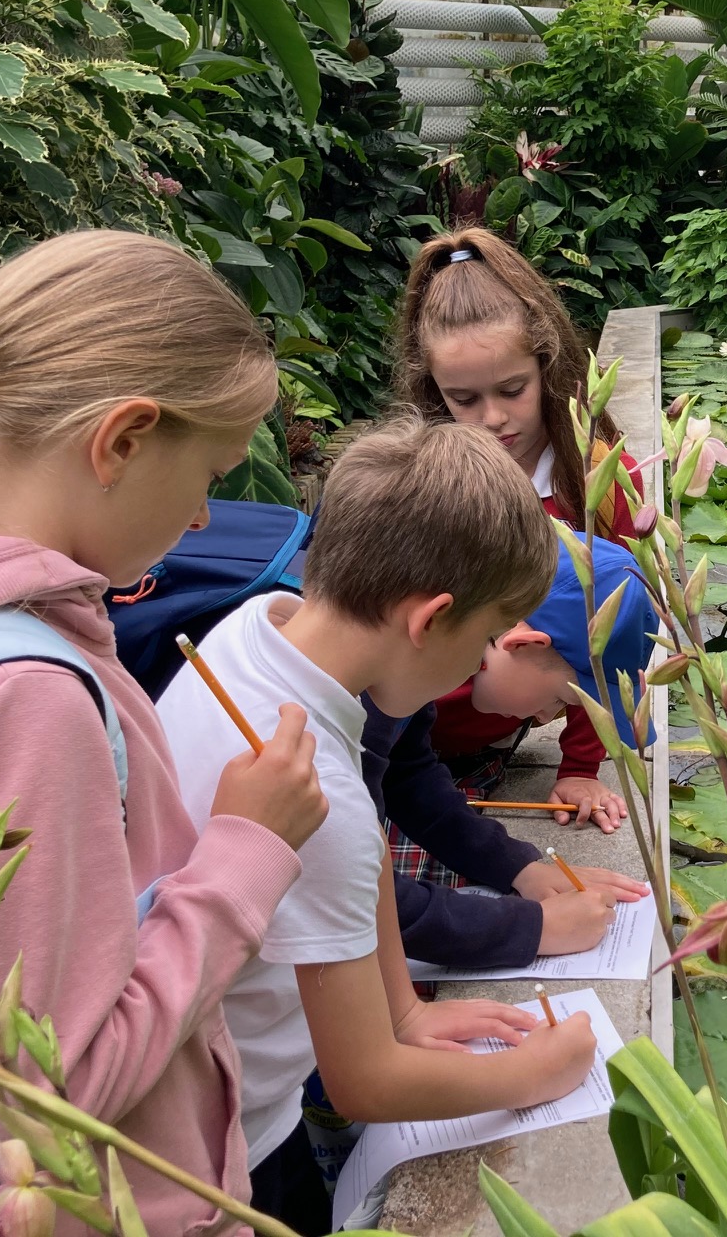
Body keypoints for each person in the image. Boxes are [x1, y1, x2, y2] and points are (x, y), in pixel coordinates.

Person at [0, 230, 329, 1237]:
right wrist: (246, 850)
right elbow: (58, 1095)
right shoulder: (24, 700)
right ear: (123, 439)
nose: (205, 519)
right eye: (210, 473)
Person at [158, 418, 596, 1233]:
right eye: (485, 637)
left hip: (211, 1077)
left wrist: (406, 1011)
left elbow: (360, 873)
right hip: (226, 1146)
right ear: (429, 621)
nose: (481, 661)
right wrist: (537, 1072)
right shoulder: (315, 794)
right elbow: (365, 1083)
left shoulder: (262, 629)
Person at [395, 228, 645, 833]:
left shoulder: (600, 481)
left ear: (547, 365)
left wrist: (580, 765)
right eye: (463, 399)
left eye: (513, 389)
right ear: (433, 390)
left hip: (491, 733)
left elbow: (604, 641)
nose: (493, 418)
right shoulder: (421, 485)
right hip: (399, 738)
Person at [365, 527, 657, 971]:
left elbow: (407, 773)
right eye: (560, 700)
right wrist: (531, 928)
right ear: (521, 642)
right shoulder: (356, 695)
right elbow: (345, 891)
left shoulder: (405, 671)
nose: (545, 718)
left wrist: (516, 867)